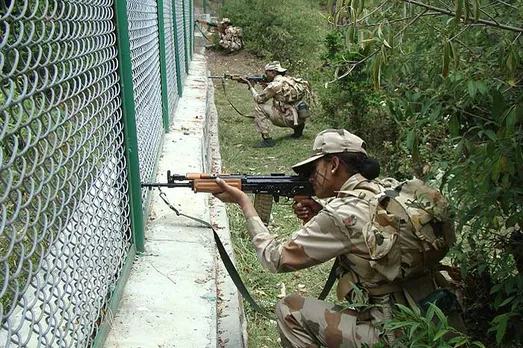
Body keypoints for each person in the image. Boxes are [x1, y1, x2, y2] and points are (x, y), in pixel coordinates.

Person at [213, 129, 464, 347]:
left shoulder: (341, 213)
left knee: (290, 310)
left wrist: (244, 203)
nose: (310, 177)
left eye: (314, 168)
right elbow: (366, 238)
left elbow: (275, 259)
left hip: (391, 334)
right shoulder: (385, 192)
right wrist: (321, 214)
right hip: (434, 319)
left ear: (333, 165)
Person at [240, 61, 311, 148]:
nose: (265, 75)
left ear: (273, 72)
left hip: (288, 119)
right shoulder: (289, 80)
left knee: (259, 107)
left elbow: (259, 99)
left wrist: (250, 86)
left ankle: (267, 140)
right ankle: (298, 132)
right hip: (300, 116)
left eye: (267, 73)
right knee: (290, 104)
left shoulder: (274, 85)